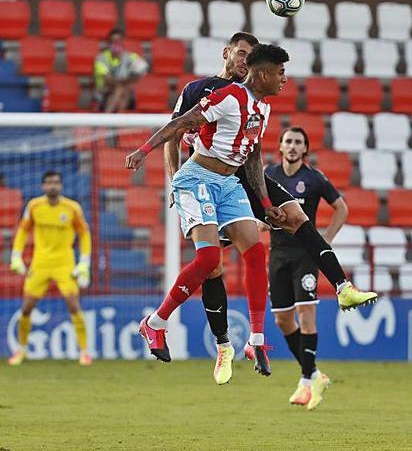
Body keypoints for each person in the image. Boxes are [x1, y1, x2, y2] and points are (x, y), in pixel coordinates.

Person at [166, 32, 377, 385]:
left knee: (297, 216)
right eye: (241, 54)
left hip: (246, 179)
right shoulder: (199, 90)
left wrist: (264, 200)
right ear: (228, 53)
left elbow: (255, 149)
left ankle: (342, 286)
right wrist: (174, 182)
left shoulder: (255, 100)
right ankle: (222, 345)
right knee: (212, 266)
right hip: (208, 183)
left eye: (250, 56)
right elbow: (173, 134)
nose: (244, 60)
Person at [126, 43, 290, 378]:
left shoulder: (264, 109)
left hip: (229, 184)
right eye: (280, 72)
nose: (284, 79)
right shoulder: (228, 97)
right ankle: (154, 323)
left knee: (256, 253)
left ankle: (256, 340)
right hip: (197, 177)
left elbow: (254, 157)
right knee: (209, 261)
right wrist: (144, 151)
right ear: (263, 74)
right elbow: (181, 123)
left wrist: (267, 204)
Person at [266, 127, 348, 410]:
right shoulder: (268, 176)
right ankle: (314, 374)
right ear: (280, 146)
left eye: (298, 142)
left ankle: (305, 381)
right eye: (288, 141)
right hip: (277, 255)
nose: (292, 146)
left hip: (305, 256)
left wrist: (325, 239)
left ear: (305, 150)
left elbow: (342, 208)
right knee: (282, 321)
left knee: (306, 315)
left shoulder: (313, 178)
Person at [8, 171, 93, 366]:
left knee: (73, 304)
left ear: (61, 186)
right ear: (43, 186)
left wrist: (84, 262)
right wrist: (16, 256)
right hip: (40, 263)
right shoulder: (34, 206)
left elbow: (84, 233)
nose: (52, 186)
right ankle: (21, 350)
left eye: (56, 182)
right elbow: (23, 230)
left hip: (64, 263)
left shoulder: (72, 208)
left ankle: (85, 352)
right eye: (48, 183)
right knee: (27, 307)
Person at [93, 28, 149, 113]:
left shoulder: (130, 56)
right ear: (109, 44)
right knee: (121, 88)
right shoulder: (101, 58)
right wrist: (125, 82)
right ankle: (114, 119)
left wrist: (128, 81)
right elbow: (109, 80)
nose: (116, 44)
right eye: (113, 41)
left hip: (125, 93)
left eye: (119, 41)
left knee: (123, 89)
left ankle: (109, 120)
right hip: (103, 93)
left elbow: (142, 69)